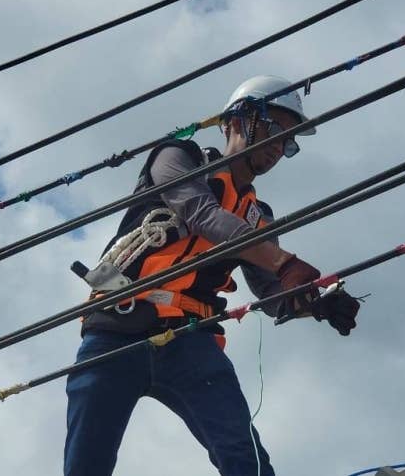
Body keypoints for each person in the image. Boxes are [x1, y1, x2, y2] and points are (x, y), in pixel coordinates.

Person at [64, 75, 361, 475]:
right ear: (236, 121)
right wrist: (284, 261)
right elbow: (200, 213)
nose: (279, 146)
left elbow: (272, 292)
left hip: (190, 340)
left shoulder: (258, 216)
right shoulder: (178, 156)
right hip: (117, 325)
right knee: (86, 464)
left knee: (245, 458)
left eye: (288, 141)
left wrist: (316, 302)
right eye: (274, 129)